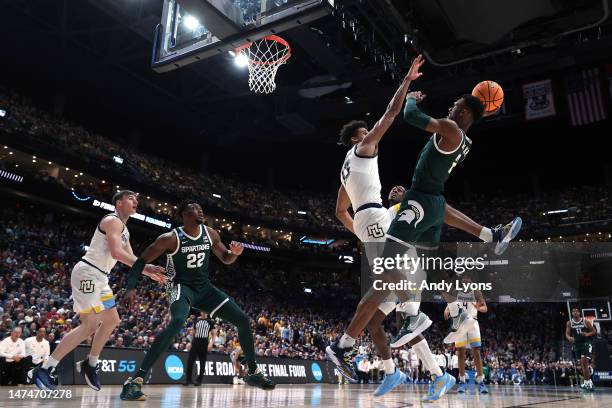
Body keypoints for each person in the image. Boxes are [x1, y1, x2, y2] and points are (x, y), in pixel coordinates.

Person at [327, 55, 521, 401]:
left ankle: (407, 340)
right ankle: (436, 316)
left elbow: (340, 209)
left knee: (395, 277)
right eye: (365, 131)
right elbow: (393, 114)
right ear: (359, 136)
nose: (372, 133)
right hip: (383, 214)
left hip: (377, 217)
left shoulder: (345, 168)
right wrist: (407, 85)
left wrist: (360, 229)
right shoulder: (367, 147)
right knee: (406, 269)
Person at [120, 200, 274, 401]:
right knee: (177, 321)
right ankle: (135, 381)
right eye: (194, 208)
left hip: (204, 288)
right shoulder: (170, 238)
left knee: (242, 320)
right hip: (180, 287)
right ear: (183, 214)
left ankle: (253, 373)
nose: (200, 210)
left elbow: (225, 258)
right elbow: (141, 261)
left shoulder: (210, 233)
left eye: (201, 208)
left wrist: (234, 255)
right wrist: (131, 287)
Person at [30, 191, 165, 391]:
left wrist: (147, 271)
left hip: (101, 279)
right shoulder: (112, 221)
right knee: (90, 324)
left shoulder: (125, 229)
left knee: (112, 320)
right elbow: (117, 253)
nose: (136, 201)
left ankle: (90, 364)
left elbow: (131, 258)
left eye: (137, 199)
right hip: (88, 274)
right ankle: (46, 368)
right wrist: (147, 268)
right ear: (119, 203)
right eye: (131, 199)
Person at [446, 277, 489, 394]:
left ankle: (480, 380)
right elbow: (451, 303)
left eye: (467, 280)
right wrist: (447, 309)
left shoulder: (476, 292)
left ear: (471, 281)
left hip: (473, 322)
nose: (465, 281)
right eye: (463, 280)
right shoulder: (456, 291)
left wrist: (479, 307)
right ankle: (462, 380)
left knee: (476, 351)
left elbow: (485, 308)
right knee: (460, 353)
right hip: (460, 324)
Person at [566, 308, 596, 392]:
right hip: (577, 345)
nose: (575, 312)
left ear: (579, 313)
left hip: (586, 343)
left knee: (584, 363)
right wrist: (569, 338)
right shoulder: (569, 323)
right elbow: (567, 334)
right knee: (582, 365)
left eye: (576, 311)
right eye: (573, 311)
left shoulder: (585, 321)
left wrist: (587, 334)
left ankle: (589, 383)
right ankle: (587, 383)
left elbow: (594, 331)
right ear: (572, 313)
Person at [185, 311, 213, 386]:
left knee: (202, 362)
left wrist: (211, 343)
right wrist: (190, 342)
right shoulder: (196, 320)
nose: (204, 313)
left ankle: (199, 380)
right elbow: (193, 332)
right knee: (190, 361)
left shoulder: (210, 322)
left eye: (205, 312)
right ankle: (188, 380)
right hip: (195, 341)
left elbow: (214, 333)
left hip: (204, 342)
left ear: (207, 313)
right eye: (203, 311)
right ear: (201, 312)